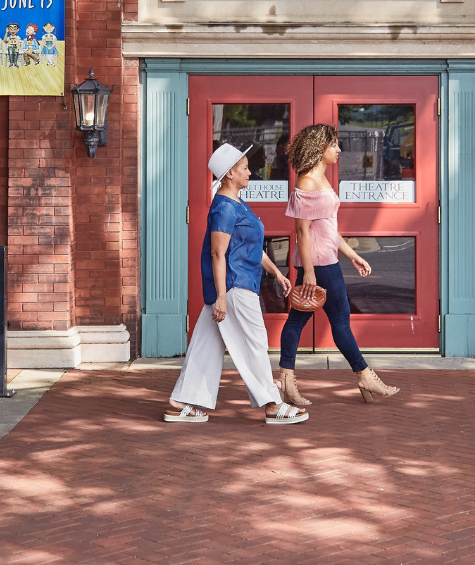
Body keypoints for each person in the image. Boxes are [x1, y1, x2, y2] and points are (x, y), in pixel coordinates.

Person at [165, 142, 308, 425]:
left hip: (233, 284)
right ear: (229, 173)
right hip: (234, 287)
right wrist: (220, 296)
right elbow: (218, 253)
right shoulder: (225, 209)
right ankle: (272, 403)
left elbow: (251, 248)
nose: (250, 172)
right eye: (244, 168)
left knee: (205, 344)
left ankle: (178, 403)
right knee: (255, 342)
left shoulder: (236, 204)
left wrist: (277, 273)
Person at [277, 124, 399, 406]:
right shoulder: (307, 182)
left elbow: (328, 229)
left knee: (301, 319)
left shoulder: (321, 179)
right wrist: (308, 272)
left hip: (325, 260)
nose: (339, 150)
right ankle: (364, 376)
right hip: (318, 265)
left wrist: (352, 255)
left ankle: (287, 379)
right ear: (320, 148)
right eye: (334, 145)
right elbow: (302, 232)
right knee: (338, 320)